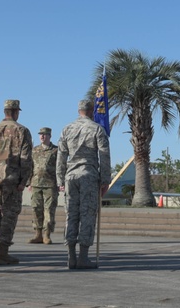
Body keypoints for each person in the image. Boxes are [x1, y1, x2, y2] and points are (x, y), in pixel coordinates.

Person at [57, 99, 110, 270]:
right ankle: (83, 257)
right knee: (87, 215)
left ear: (79, 110)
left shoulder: (67, 129)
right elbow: (104, 156)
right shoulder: (96, 129)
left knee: (71, 214)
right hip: (88, 174)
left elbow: (61, 156)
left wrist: (60, 179)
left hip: (70, 176)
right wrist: (105, 180)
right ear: (91, 110)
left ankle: (71, 256)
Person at [0, 99, 33, 265]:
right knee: (8, 216)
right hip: (12, 180)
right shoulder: (22, 131)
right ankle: (2, 253)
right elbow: (25, 158)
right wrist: (24, 180)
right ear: (16, 112)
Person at [28, 126, 59, 244]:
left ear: (49, 136)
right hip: (36, 183)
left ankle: (47, 234)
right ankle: (38, 234)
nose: (42, 136)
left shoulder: (55, 150)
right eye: (40, 134)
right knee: (36, 209)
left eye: (44, 134)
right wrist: (28, 182)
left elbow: (60, 167)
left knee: (49, 210)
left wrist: (60, 182)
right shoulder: (35, 150)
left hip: (50, 184)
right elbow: (30, 166)